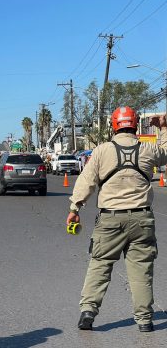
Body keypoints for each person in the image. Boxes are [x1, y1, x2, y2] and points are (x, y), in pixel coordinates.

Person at [66, 106, 167, 333]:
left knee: (100, 265)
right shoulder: (148, 149)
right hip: (142, 219)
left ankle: (88, 312)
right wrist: (163, 128)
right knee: (141, 270)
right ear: (134, 124)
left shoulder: (102, 151)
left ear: (114, 125)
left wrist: (75, 207)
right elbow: (166, 151)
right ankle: (144, 320)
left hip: (110, 220)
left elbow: (86, 181)